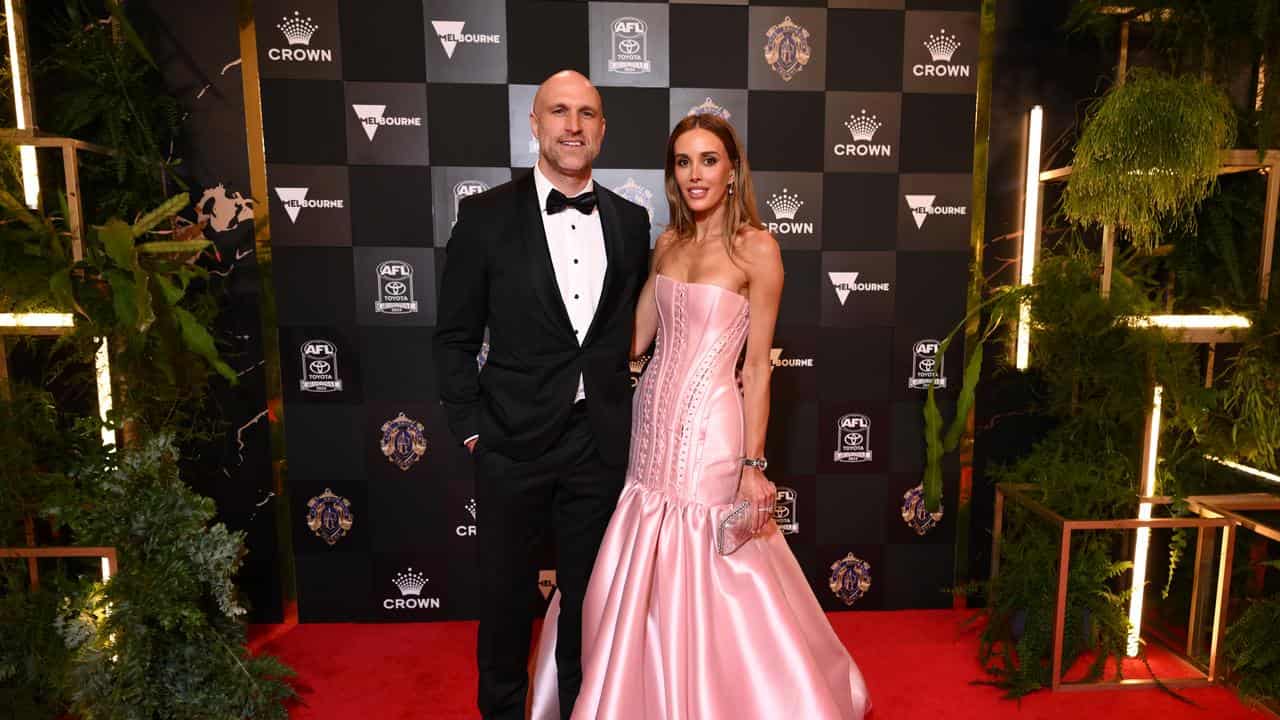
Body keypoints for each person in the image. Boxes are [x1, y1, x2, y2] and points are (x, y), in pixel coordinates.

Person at [530, 114, 870, 719]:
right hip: (650, 424)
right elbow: (635, 342)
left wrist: (751, 467)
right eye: (683, 162)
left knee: (711, 568)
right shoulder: (668, 245)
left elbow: (758, 368)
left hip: (713, 428)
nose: (695, 175)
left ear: (733, 170)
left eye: (708, 160)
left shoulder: (758, 249)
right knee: (642, 565)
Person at [433, 70, 651, 720]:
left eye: (587, 113)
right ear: (535, 124)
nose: (574, 126)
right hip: (510, 442)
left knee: (591, 605)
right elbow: (452, 337)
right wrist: (474, 426)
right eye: (560, 111)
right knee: (504, 605)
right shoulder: (485, 217)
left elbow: (631, 335)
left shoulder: (631, 221)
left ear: (603, 129)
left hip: (597, 442)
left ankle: (582, 711)